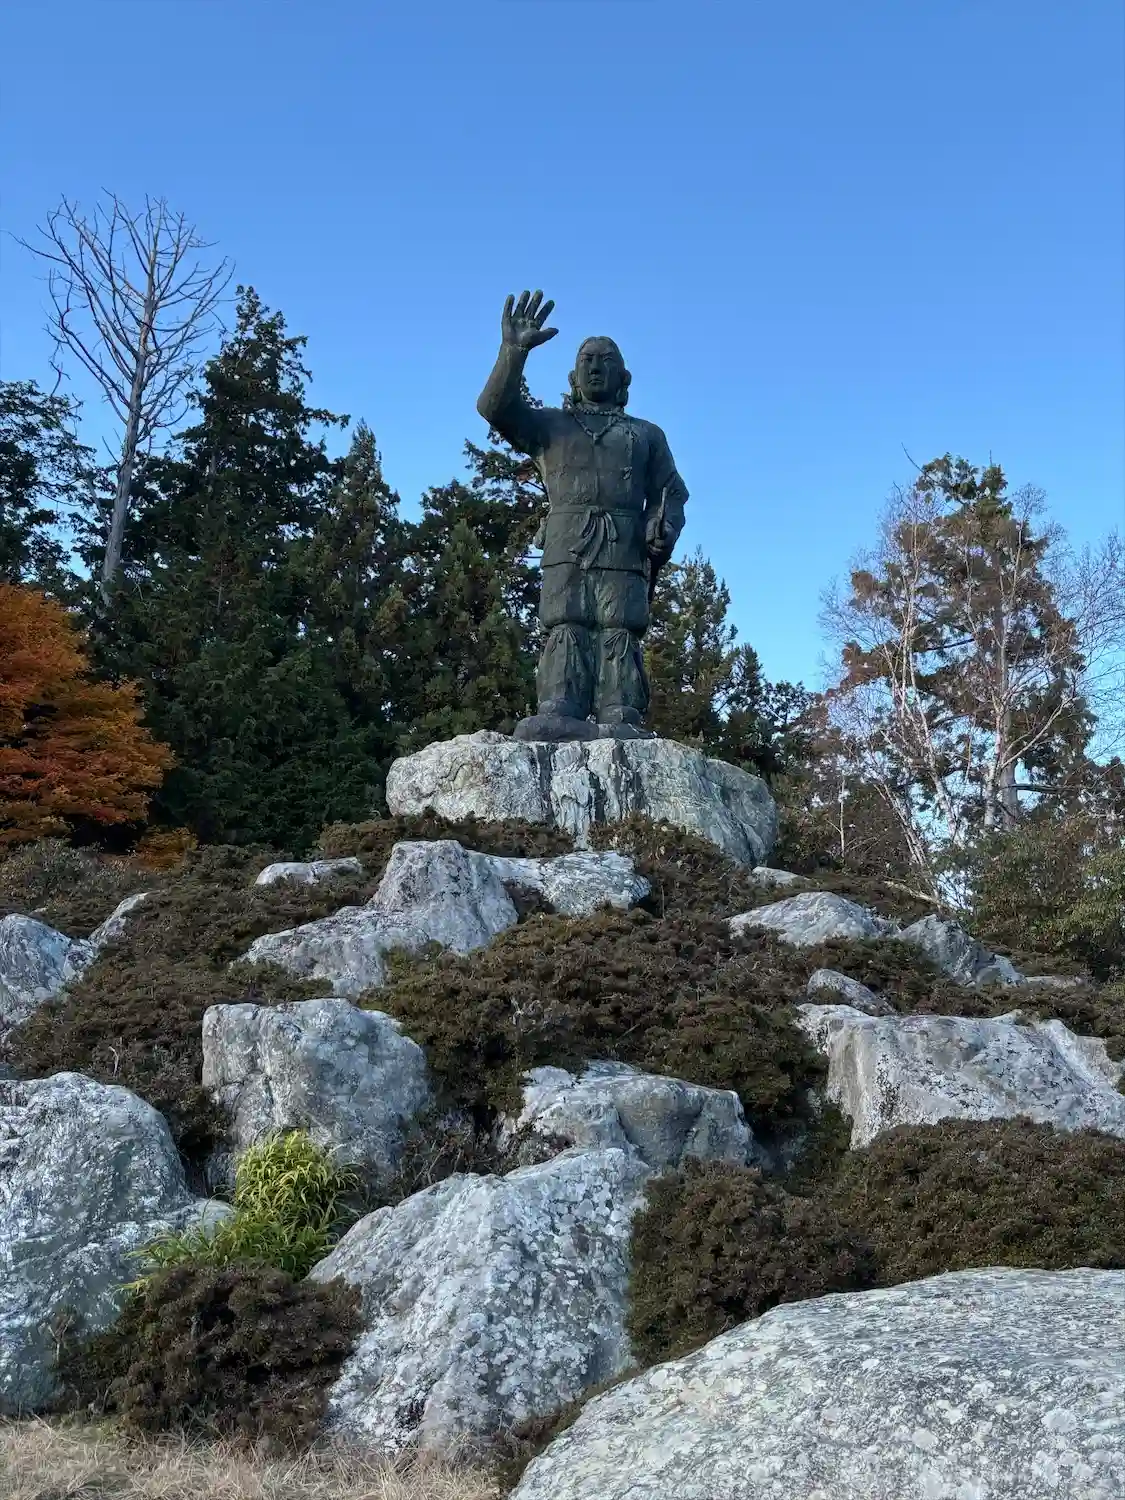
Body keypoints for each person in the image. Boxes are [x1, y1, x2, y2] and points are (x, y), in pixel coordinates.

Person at [477, 290, 689, 738]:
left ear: (623, 377)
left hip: (624, 544)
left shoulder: (646, 435)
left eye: (605, 360)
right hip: (566, 541)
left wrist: (662, 524)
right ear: (574, 376)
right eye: (587, 359)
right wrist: (513, 352)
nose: (595, 366)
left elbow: (670, 493)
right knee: (565, 620)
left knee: (620, 625)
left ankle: (621, 709)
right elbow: (495, 409)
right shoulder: (551, 426)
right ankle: (560, 703)